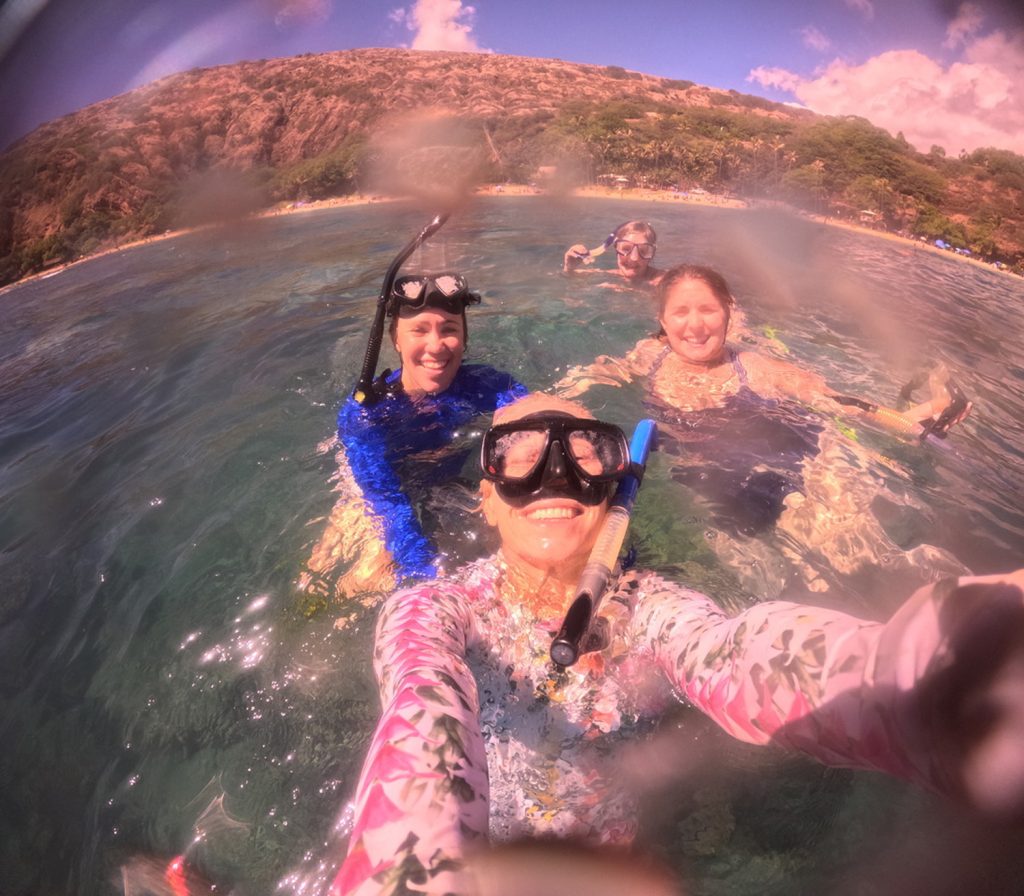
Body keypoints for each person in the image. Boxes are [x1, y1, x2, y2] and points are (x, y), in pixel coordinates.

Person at [330, 393, 1024, 896]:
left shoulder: (652, 609)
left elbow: (737, 653)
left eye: (581, 451)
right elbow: (423, 707)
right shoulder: (436, 611)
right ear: (485, 496)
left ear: (613, 489)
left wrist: (937, 676)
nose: (553, 474)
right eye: (516, 453)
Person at [555, 264, 971, 591]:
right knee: (765, 576)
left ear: (727, 314)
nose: (694, 325)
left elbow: (837, 401)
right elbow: (606, 372)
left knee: (860, 548)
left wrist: (906, 426)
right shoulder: (652, 354)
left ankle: (959, 594)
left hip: (791, 457)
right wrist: (556, 401)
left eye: (707, 309)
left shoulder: (756, 368)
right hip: (712, 476)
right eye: (680, 312)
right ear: (662, 320)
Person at [301, 271, 527, 604]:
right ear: (395, 339)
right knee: (351, 590)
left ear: (464, 339)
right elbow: (385, 501)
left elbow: (535, 416)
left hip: (446, 483)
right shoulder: (368, 413)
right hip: (375, 495)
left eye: (449, 329)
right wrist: (425, 577)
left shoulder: (487, 386)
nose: (435, 346)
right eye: (418, 331)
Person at [563, 220, 665, 286]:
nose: (634, 258)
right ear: (616, 248)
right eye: (626, 249)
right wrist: (569, 268)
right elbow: (567, 278)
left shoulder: (663, 280)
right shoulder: (607, 276)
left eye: (643, 251)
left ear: (652, 255)